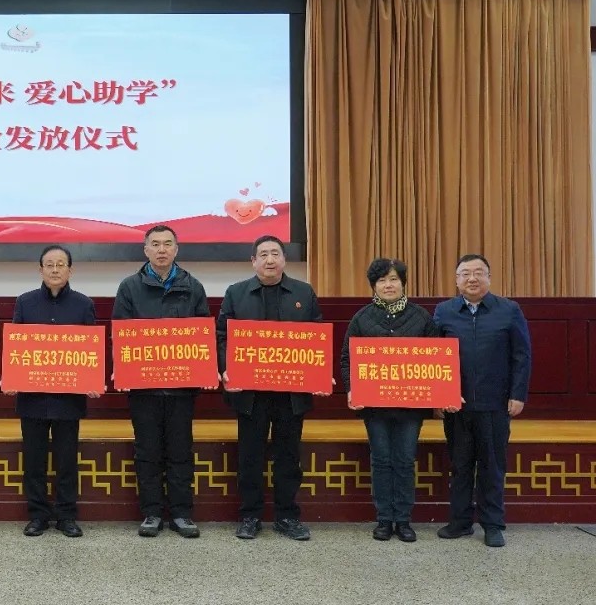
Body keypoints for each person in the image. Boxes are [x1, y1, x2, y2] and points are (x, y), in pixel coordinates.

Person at [217, 235, 328, 541]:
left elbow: (316, 336)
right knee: (250, 456)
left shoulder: (303, 293)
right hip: (250, 394)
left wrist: (320, 373)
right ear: (253, 261)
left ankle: (287, 516)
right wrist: (226, 368)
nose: (269, 259)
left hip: (291, 394)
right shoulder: (236, 293)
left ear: (284, 260)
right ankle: (250, 516)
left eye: (275, 253)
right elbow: (222, 336)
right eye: (263, 254)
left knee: (288, 457)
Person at [112, 225, 212, 538]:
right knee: (147, 451)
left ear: (176, 249)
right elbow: (120, 334)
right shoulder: (129, 287)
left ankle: (182, 514)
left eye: (167, 244)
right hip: (143, 388)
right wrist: (122, 369)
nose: (161, 250)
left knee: (181, 451)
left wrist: (206, 369)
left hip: (182, 388)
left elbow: (203, 335)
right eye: (155, 244)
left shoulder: (193, 286)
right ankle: (152, 513)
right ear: (145, 250)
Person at [434, 254, 531, 547]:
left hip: (495, 404)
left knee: (492, 466)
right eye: (465, 273)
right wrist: (438, 398)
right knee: (461, 465)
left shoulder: (509, 310)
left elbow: (522, 355)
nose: (472, 278)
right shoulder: (444, 312)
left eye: (479, 272)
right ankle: (460, 522)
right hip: (456, 405)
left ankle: (492, 525)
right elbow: (433, 357)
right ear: (456, 280)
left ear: (489, 277)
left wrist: (518, 394)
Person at [339, 258, 439, 543]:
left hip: (411, 406)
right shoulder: (361, 318)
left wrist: (438, 394)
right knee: (381, 460)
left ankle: (403, 520)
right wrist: (352, 389)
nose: (388, 285)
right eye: (382, 280)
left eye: (393, 279)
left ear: (403, 283)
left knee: (405, 460)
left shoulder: (422, 317)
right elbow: (347, 359)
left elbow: (436, 359)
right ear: (374, 285)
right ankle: (384, 519)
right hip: (375, 407)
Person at [1, 245, 98, 538]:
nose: (55, 270)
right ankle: (38, 515)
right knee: (35, 460)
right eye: (49, 264)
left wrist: (93, 380)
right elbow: (16, 347)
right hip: (33, 398)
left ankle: (67, 516)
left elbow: (91, 350)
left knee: (67, 461)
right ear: (40, 269)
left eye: (60, 264)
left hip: (69, 399)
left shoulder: (83, 304)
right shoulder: (25, 302)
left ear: (70, 269)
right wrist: (10, 378)